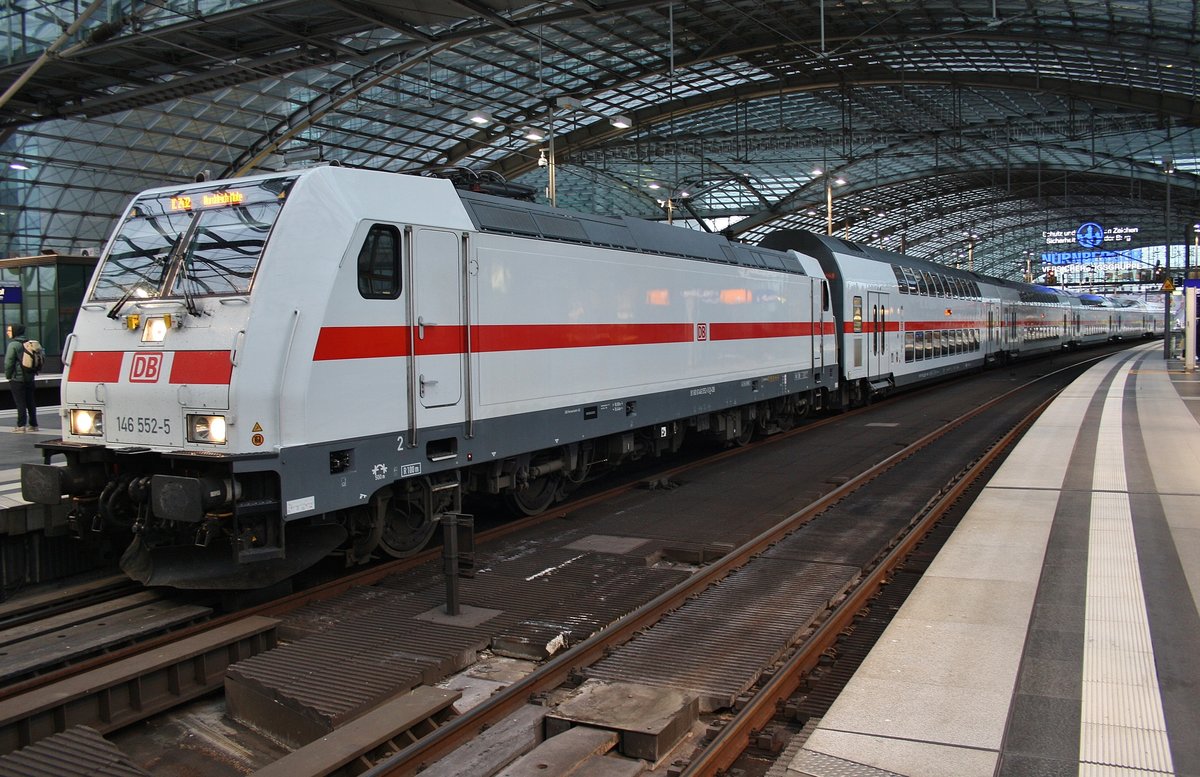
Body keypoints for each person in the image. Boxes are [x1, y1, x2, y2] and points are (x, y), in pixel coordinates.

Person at [4, 324, 39, 432]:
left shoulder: (13, 345)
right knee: (30, 401)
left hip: (17, 379)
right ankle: (34, 425)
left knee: (20, 403)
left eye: (9, 330)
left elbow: (8, 363)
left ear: (15, 332)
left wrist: (8, 376)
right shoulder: (30, 343)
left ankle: (21, 425)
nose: (7, 332)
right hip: (30, 377)